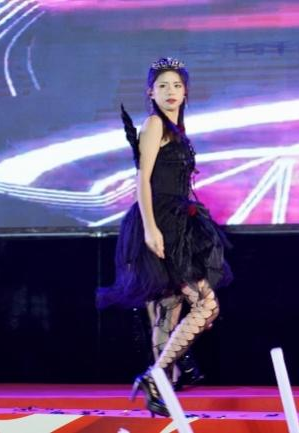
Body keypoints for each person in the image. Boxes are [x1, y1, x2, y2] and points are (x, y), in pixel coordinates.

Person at [96, 57, 232, 417]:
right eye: (162, 86)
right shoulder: (155, 123)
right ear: (150, 93)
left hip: (179, 223)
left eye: (176, 85)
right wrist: (151, 228)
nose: (170, 92)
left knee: (167, 311)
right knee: (205, 305)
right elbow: (142, 179)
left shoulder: (176, 129)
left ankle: (162, 396)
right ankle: (155, 378)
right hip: (160, 222)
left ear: (185, 91)